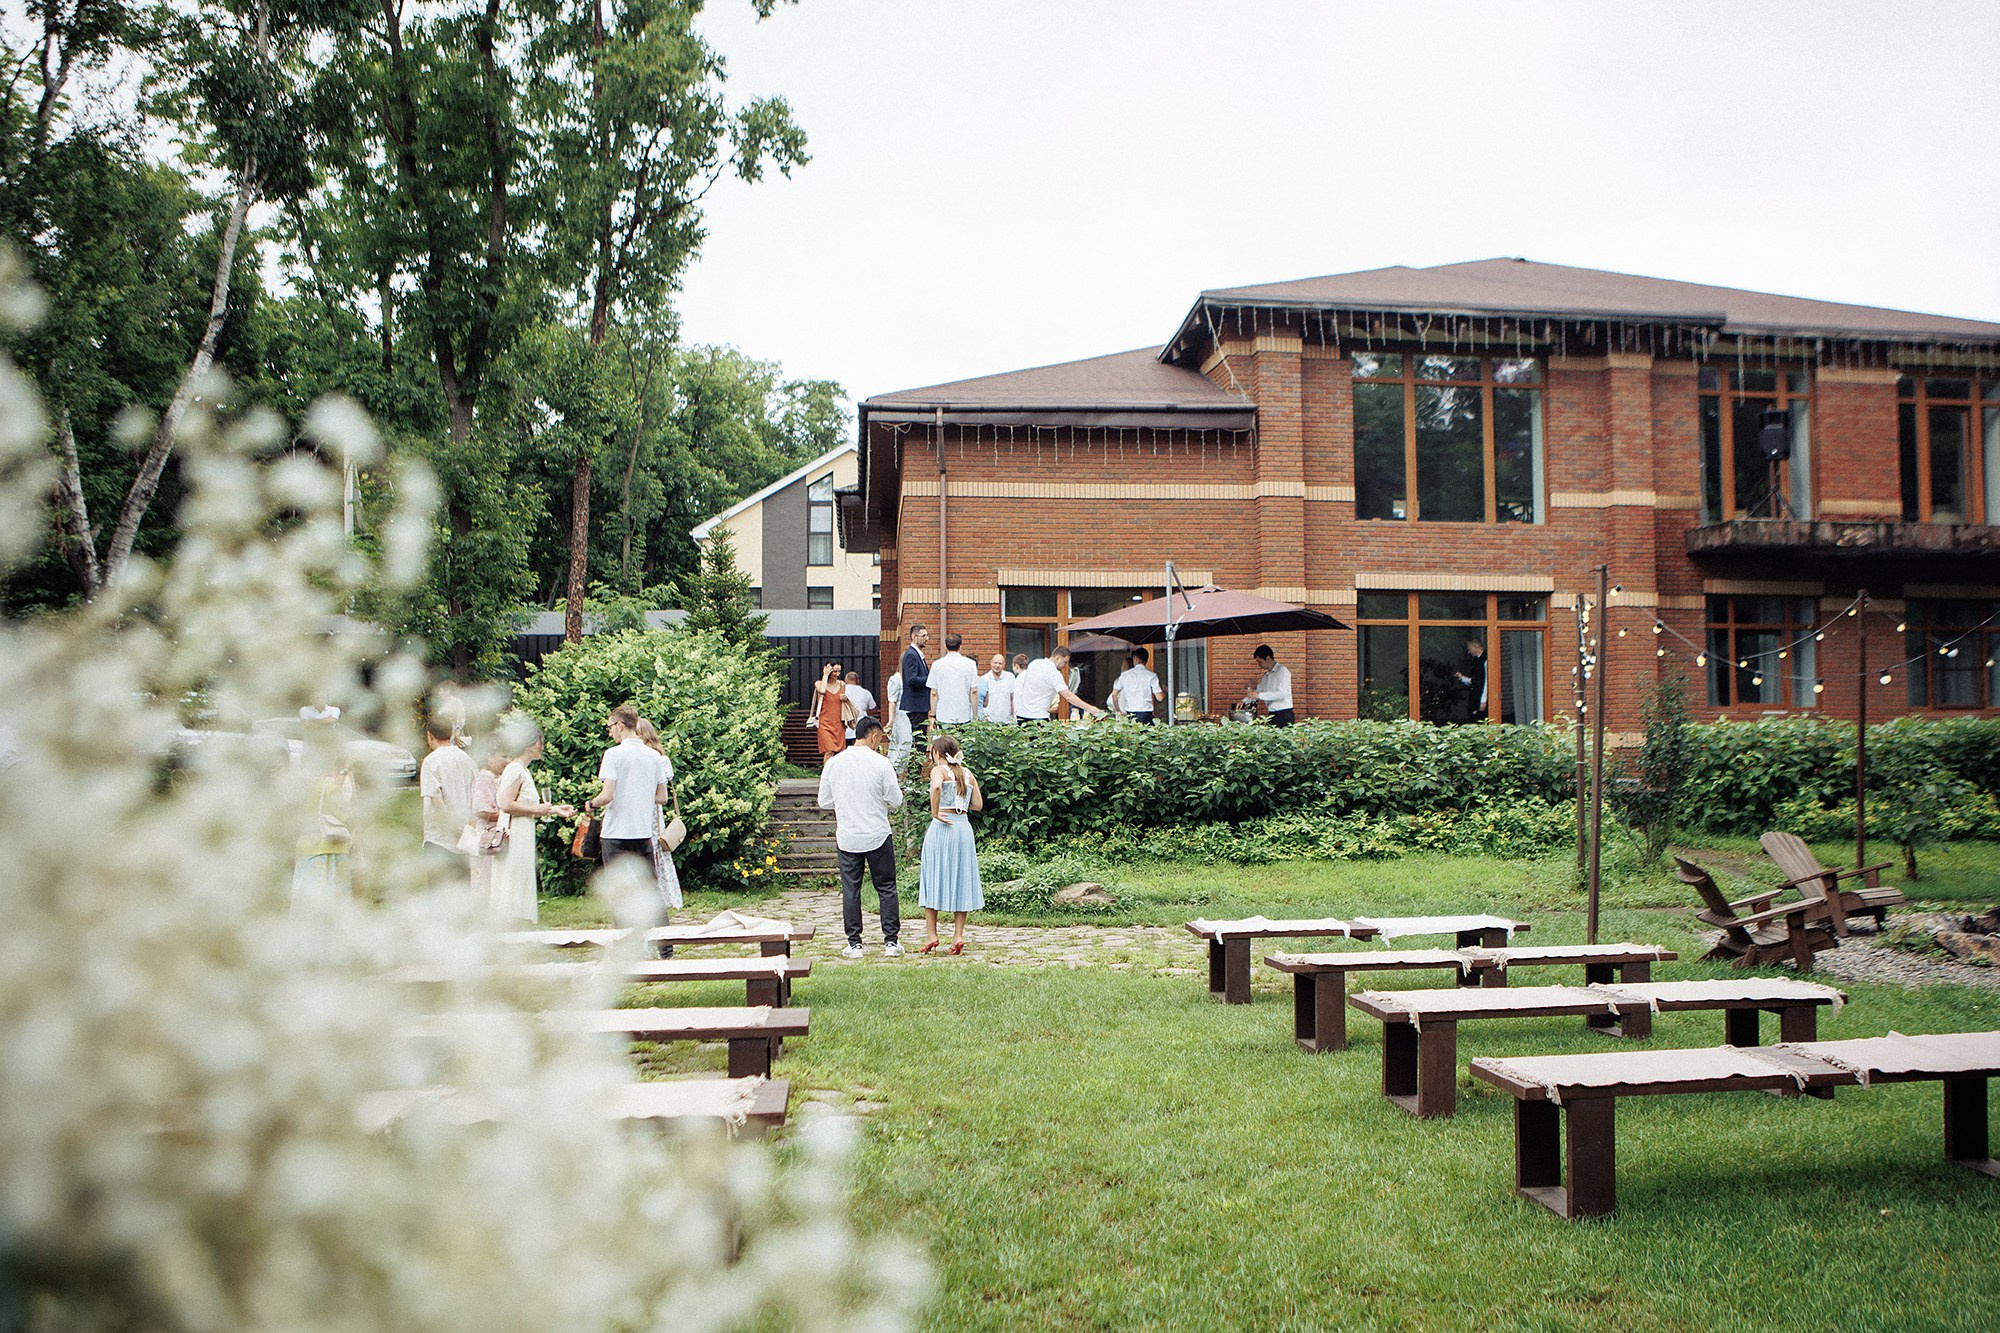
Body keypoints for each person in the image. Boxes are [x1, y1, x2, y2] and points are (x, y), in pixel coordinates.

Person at [817, 714, 904, 958]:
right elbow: (896, 801)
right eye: (880, 738)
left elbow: (824, 801)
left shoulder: (834, 763)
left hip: (848, 835)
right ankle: (890, 942)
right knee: (886, 887)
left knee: (851, 889)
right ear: (874, 735)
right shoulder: (881, 763)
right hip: (877, 833)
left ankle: (854, 943)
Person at [493, 724, 574, 922]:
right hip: (515, 833)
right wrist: (536, 810)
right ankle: (512, 922)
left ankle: (518, 921)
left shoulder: (522, 770)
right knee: (514, 878)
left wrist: (554, 809)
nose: (542, 747)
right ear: (529, 745)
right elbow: (505, 803)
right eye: (540, 742)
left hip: (523, 830)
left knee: (521, 877)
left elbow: (523, 804)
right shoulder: (515, 769)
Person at [917, 733, 984, 954]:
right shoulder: (967, 773)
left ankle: (931, 934)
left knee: (933, 875)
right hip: (962, 828)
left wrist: (935, 812)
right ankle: (957, 936)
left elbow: (936, 787)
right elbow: (978, 805)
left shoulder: (938, 770)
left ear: (937, 753)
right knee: (961, 878)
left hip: (942, 827)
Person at [586, 705, 667, 879]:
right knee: (648, 889)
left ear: (620, 725)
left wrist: (591, 803)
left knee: (619, 891)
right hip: (643, 831)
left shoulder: (613, 754)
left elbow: (607, 795)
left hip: (616, 832)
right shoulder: (654, 756)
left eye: (610, 727)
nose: (610, 733)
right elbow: (662, 797)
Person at [633, 717, 684, 925]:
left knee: (654, 850)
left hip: (652, 812)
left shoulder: (657, 758)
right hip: (645, 812)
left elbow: (662, 792)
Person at [419, 713, 478, 890]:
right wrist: (468, 830)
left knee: (438, 893)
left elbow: (436, 801)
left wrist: (454, 829)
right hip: (463, 837)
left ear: (429, 736)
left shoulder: (431, 762)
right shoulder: (467, 760)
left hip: (440, 837)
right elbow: (476, 798)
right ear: (451, 734)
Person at [1013, 645, 1107, 722]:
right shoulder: (1054, 673)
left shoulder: (1034, 663)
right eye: (1065, 662)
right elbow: (1068, 696)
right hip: (1038, 717)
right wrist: (1091, 709)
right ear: (1057, 657)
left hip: (1021, 715)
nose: (1065, 666)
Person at [468, 742, 509, 903]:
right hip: (489, 836)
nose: (507, 761)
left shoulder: (500, 778)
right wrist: (506, 814)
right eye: (503, 756)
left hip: (500, 834)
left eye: (509, 757)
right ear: (490, 757)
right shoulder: (484, 778)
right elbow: (480, 810)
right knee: (486, 875)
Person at [928, 632, 980, 726]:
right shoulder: (970, 664)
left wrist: (933, 714)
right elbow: (974, 691)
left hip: (943, 715)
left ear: (945, 646)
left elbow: (934, 693)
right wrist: (975, 714)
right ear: (960, 646)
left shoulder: (937, 665)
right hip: (964, 714)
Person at [1242, 644, 1295, 726]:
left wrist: (1259, 695)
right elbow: (1258, 692)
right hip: (1272, 714)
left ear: (1268, 658)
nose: (1259, 665)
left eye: (1260, 662)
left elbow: (1281, 694)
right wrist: (1243, 701)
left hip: (1284, 714)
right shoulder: (1265, 676)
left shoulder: (1283, 672)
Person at [1113, 646, 1164, 723]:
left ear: (1136, 658)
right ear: (1146, 660)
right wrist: (1165, 691)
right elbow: (1160, 698)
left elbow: (1114, 694)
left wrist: (1118, 711)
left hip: (1130, 715)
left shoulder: (1125, 675)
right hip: (1146, 715)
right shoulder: (1152, 676)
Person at [899, 624, 932, 734]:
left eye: (927, 636)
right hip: (916, 705)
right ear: (914, 636)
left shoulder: (916, 654)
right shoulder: (911, 655)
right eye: (923, 636)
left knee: (920, 738)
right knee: (919, 739)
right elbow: (911, 680)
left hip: (919, 705)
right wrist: (930, 679)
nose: (926, 639)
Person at [812, 661, 848, 758]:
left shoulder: (842, 684)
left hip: (839, 723)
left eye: (839, 672)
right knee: (829, 751)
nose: (837, 674)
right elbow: (822, 691)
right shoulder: (819, 683)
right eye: (834, 671)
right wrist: (825, 675)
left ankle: (837, 773)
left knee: (840, 753)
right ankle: (826, 773)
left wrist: (845, 699)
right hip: (825, 723)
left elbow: (845, 704)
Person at [1454, 637, 1489, 722]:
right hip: (1476, 698)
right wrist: (1462, 678)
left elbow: (1487, 682)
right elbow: (1476, 681)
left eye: (1470, 649)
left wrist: (1483, 700)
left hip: (1482, 700)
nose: (1469, 652)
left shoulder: (1486, 660)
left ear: (1476, 647)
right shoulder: (1476, 661)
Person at [885, 668, 913, 769]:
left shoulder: (908, 678)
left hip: (909, 714)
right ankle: (895, 769)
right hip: (900, 715)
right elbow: (892, 701)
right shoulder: (896, 679)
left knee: (908, 743)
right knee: (902, 743)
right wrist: (891, 721)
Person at [976, 653, 1017, 724]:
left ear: (1004, 665)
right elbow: (980, 701)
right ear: (991, 663)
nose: (997, 666)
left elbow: (1013, 698)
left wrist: (1014, 717)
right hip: (989, 721)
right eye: (995, 663)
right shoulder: (984, 679)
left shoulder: (1010, 677)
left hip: (1007, 721)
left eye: (1000, 663)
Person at [842, 670, 876, 744]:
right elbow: (873, 708)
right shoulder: (866, 692)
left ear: (845, 680)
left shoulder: (841, 691)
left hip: (844, 725)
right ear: (857, 680)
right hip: (860, 725)